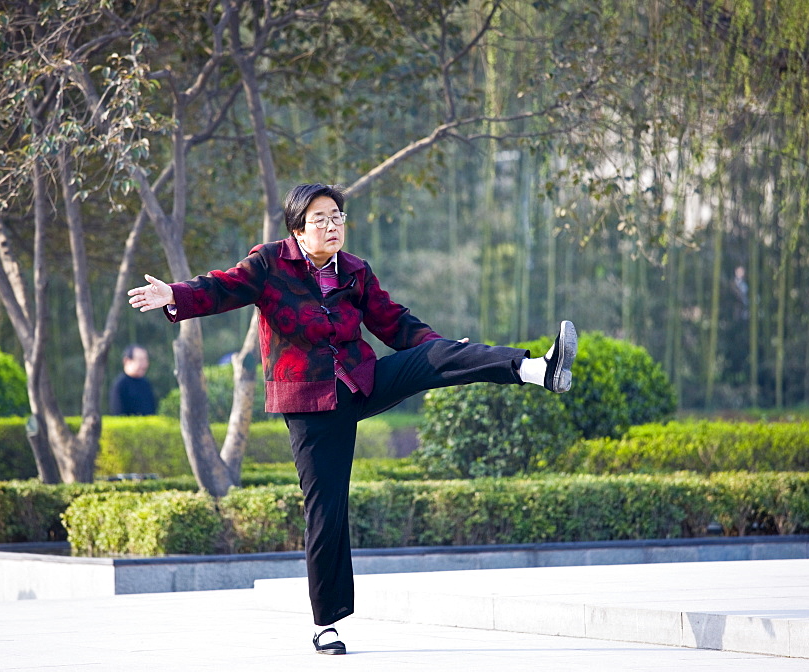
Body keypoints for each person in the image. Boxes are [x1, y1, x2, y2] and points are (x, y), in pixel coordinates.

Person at [127, 183, 577, 655]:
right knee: (326, 510)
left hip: (361, 382)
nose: (332, 225)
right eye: (320, 218)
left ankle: (537, 369)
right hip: (309, 404)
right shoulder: (269, 263)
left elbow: (396, 325)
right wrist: (174, 294)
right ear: (298, 229)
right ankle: (327, 624)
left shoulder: (356, 271)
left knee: (437, 352)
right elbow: (222, 287)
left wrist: (441, 347)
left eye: (337, 216)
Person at [108, 344, 157, 415]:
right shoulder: (120, 385)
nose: (144, 364)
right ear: (127, 361)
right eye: (140, 360)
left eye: (145, 360)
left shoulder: (146, 384)